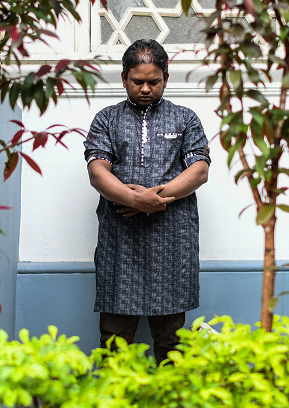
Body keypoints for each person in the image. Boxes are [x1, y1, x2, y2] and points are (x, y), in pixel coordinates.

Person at [83, 39, 211, 362]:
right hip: (120, 245)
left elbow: (199, 171)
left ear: (166, 78)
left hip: (171, 244)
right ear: (123, 77)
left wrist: (155, 198)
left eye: (153, 82)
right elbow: (98, 172)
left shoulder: (186, 119)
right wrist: (132, 199)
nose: (145, 89)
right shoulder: (106, 120)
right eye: (137, 81)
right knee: (114, 342)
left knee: (172, 342)